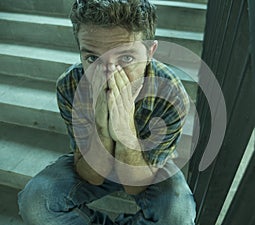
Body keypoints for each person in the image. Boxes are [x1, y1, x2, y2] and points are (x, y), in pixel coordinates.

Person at [18, 0, 196, 224]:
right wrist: (102, 127)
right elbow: (91, 175)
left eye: (126, 58)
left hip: (145, 167)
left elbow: (134, 186)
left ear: (150, 52)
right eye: (92, 58)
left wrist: (125, 132)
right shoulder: (70, 86)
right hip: (94, 158)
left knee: (178, 213)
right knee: (35, 202)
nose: (109, 75)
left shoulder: (171, 95)